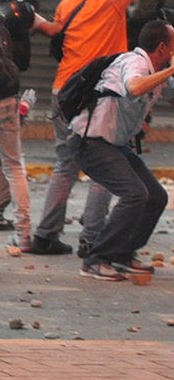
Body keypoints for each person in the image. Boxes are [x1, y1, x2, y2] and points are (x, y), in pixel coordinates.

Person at [32, 0, 155, 256]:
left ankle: (45, 234)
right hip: (97, 97)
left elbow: (54, 30)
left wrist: (31, 18)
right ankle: (93, 238)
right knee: (106, 164)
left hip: (63, 90)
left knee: (66, 165)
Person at [73, 19, 174, 280]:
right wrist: (169, 72)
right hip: (91, 142)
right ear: (163, 47)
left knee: (155, 196)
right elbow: (135, 86)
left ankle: (122, 254)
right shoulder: (135, 63)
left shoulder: (158, 68)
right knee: (134, 194)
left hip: (114, 145)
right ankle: (96, 259)